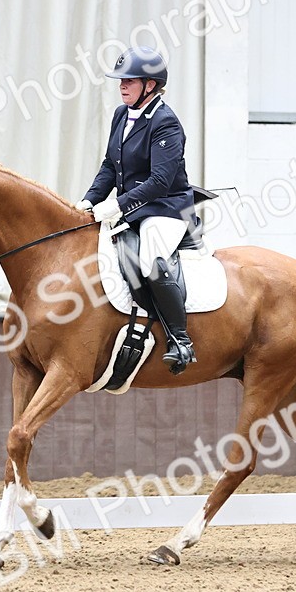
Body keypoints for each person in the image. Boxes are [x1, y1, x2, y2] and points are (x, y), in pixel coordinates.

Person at [77, 46, 197, 374]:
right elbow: (109, 166)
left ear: (150, 85)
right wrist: (88, 201)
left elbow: (160, 181)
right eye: (121, 81)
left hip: (166, 208)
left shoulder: (166, 123)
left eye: (130, 81)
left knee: (150, 259)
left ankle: (181, 340)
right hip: (131, 208)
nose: (123, 86)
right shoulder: (121, 114)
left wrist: (116, 204)